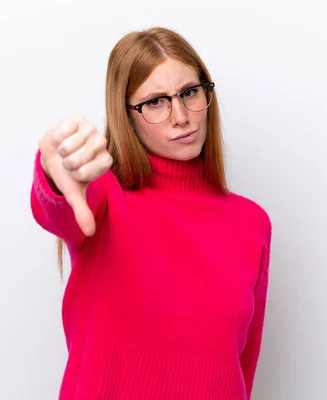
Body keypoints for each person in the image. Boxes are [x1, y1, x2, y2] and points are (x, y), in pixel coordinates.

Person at [30, 26, 272, 400]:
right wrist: (56, 170)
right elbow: (59, 208)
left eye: (189, 92)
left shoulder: (251, 223)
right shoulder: (106, 196)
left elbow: (243, 367)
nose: (180, 116)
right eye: (155, 101)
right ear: (127, 116)